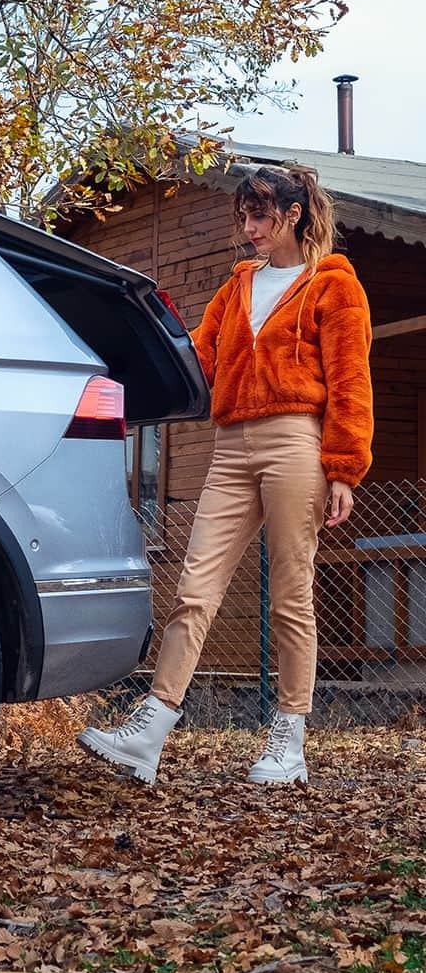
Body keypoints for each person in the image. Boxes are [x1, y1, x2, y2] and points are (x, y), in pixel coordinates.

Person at [78, 164, 373, 786]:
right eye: (243, 218)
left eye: (259, 217)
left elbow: (351, 382)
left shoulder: (333, 285)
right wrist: (121, 361)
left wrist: (343, 468)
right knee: (195, 585)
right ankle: (151, 728)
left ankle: (288, 740)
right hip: (231, 443)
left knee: (292, 595)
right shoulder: (238, 286)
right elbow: (197, 355)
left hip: (298, 439)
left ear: (293, 215)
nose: (248, 229)